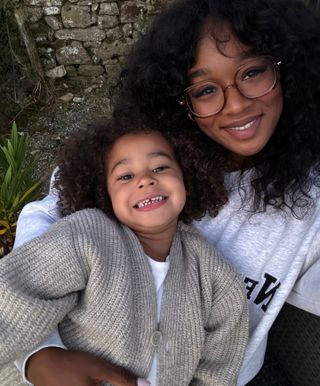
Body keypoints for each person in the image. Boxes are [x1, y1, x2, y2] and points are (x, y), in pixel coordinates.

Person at [11, 0, 320, 384]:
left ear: (288, 66)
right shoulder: (140, 157)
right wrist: (39, 356)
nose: (237, 103)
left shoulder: (310, 198)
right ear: (179, 101)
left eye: (253, 71)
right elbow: (42, 228)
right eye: (205, 89)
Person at [0, 117, 248, 386]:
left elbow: (218, 368)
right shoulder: (86, 235)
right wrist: (36, 362)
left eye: (160, 167)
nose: (145, 180)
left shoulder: (216, 275)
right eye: (125, 176)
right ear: (104, 192)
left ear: (187, 176)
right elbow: (14, 297)